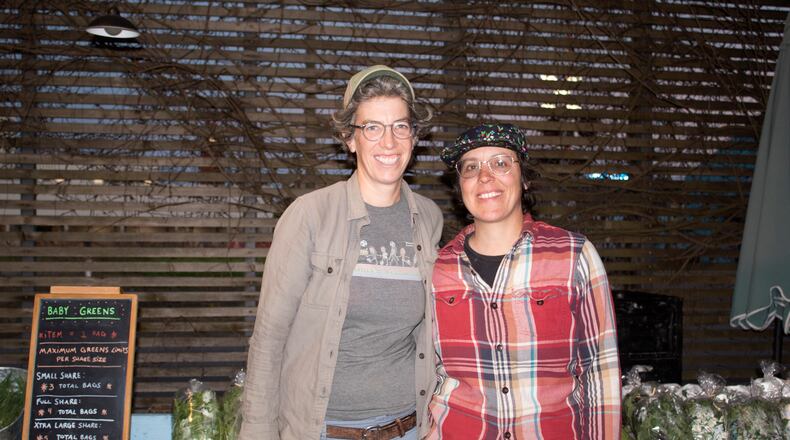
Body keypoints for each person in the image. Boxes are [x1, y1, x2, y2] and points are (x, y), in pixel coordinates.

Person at [239, 65, 443, 440]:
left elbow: (433, 337)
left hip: (409, 428)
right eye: (372, 128)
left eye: (401, 126)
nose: (389, 142)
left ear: (414, 137)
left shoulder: (428, 219)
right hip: (324, 431)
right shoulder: (311, 214)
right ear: (350, 138)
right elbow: (269, 336)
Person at [427, 123, 621, 439]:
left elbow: (601, 373)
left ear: (525, 178)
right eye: (471, 167)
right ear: (459, 186)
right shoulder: (437, 268)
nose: (485, 176)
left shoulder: (574, 256)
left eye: (501, 163)